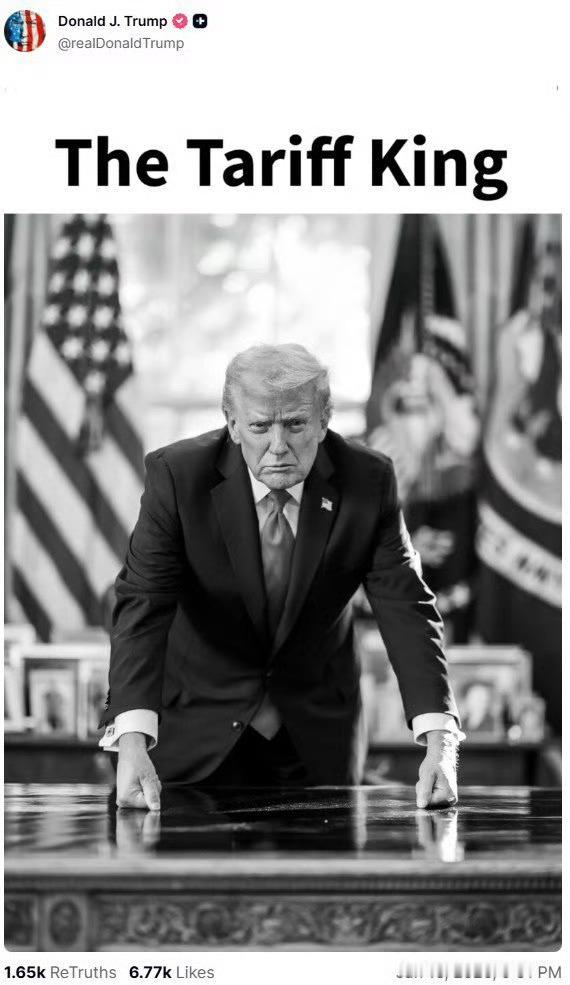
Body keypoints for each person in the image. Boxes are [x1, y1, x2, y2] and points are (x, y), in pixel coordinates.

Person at [100, 344, 463, 809]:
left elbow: (407, 608)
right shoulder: (177, 476)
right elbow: (142, 605)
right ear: (232, 424)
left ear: (324, 420)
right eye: (259, 426)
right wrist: (131, 740)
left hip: (316, 734)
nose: (278, 445)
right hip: (194, 728)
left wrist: (440, 742)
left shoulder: (368, 480)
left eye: (295, 424)